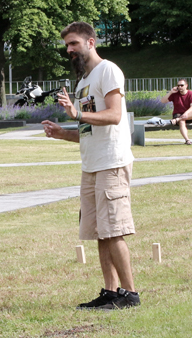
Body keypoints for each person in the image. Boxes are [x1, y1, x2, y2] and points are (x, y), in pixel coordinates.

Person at [41, 21, 140, 310]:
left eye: (74, 43)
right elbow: (88, 132)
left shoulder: (108, 70)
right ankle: (111, 292)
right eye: (67, 45)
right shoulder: (83, 81)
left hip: (112, 162)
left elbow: (114, 115)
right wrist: (63, 133)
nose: (69, 50)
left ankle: (130, 294)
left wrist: (77, 113)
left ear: (91, 42)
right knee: (99, 230)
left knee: (114, 229)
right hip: (92, 164)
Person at [166, 79, 192, 145]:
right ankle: (187, 140)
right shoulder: (175, 94)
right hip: (178, 114)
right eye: (178, 85)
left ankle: (178, 119)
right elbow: (163, 101)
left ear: (186, 86)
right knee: (182, 121)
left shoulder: (191, 94)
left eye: (182, 85)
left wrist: (185, 114)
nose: (180, 87)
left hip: (188, 116)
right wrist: (170, 92)